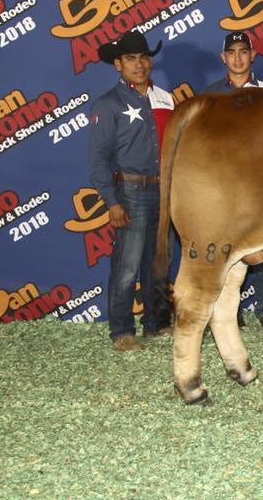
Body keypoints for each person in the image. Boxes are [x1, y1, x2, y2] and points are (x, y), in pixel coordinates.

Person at [88, 32, 174, 350]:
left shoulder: (166, 98)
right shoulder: (108, 103)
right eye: (131, 59)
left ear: (150, 61)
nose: (139, 64)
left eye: (144, 57)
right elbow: (98, 158)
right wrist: (112, 201)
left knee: (159, 262)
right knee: (127, 265)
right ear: (118, 65)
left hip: (165, 190)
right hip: (130, 189)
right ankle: (122, 330)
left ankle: (156, 323)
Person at [202, 31, 263, 332]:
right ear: (223, 57)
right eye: (232, 52)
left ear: (252, 55)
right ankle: (228, 311)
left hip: (260, 181)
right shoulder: (210, 95)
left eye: (243, 51)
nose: (238, 58)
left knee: (261, 243)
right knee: (225, 247)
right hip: (223, 183)